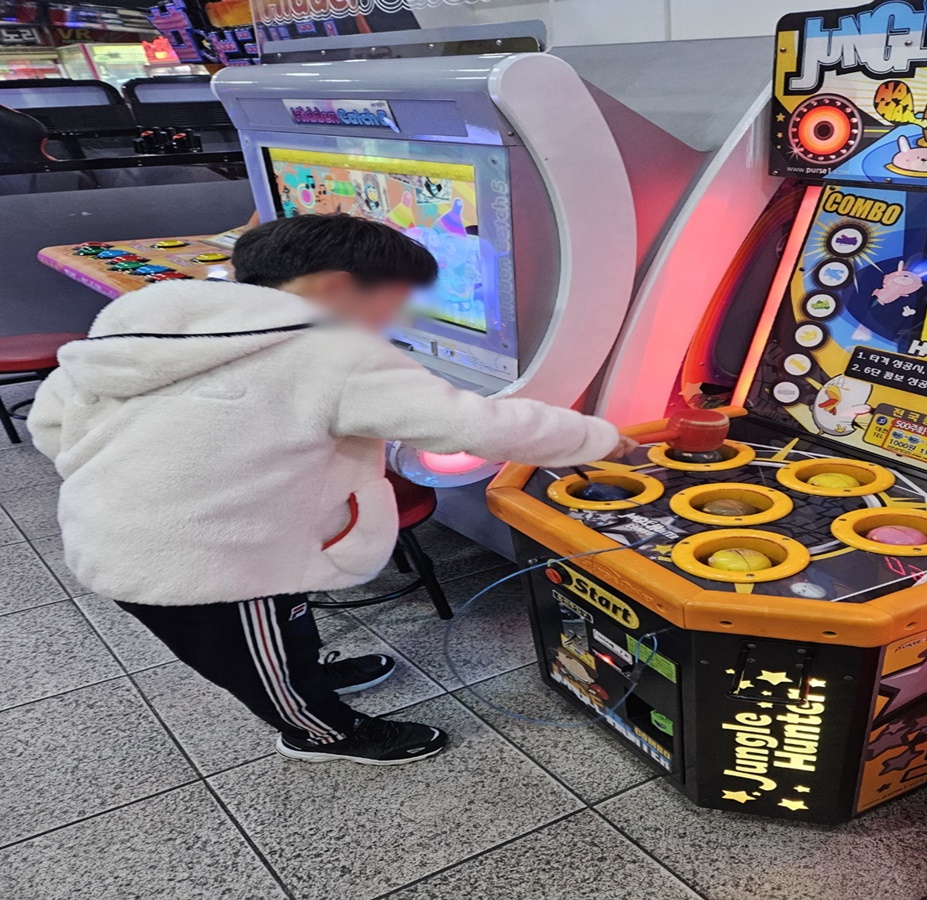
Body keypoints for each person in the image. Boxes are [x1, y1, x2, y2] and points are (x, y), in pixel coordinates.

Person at [28, 214, 636, 767]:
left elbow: (50, 424)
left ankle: (307, 674)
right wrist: (597, 439)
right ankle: (321, 732)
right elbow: (475, 425)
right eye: (393, 305)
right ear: (340, 288)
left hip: (132, 528)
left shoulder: (139, 329)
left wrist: (133, 479)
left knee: (282, 622)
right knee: (256, 657)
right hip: (203, 561)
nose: (392, 323)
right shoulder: (330, 351)